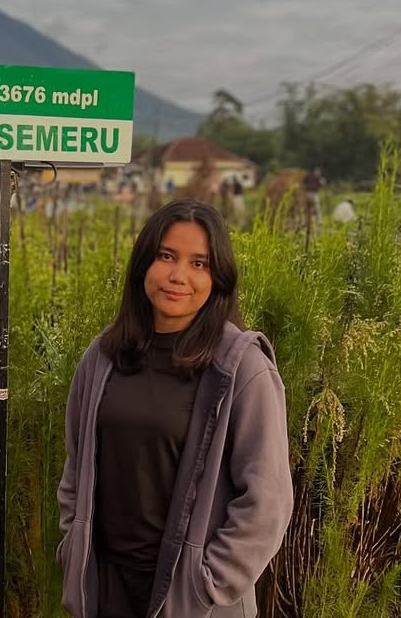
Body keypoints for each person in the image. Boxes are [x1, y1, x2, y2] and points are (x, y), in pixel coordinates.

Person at [58, 199, 293, 618]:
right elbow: (76, 466)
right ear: (144, 264)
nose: (178, 275)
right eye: (167, 256)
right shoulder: (103, 357)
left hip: (192, 601)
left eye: (199, 263)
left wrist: (208, 583)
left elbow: (267, 499)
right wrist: (72, 543)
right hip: (108, 589)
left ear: (218, 278)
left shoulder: (241, 368)